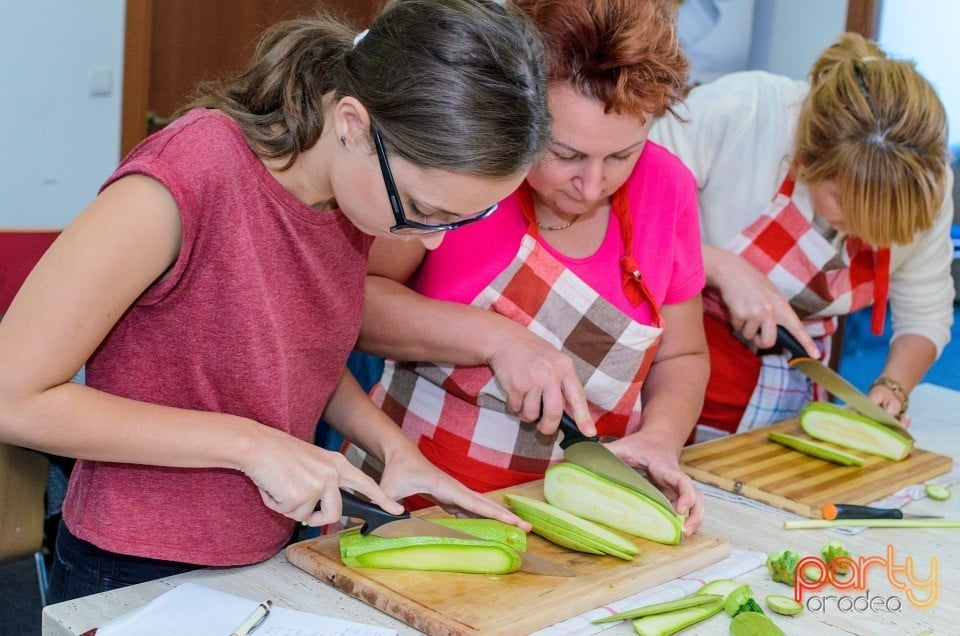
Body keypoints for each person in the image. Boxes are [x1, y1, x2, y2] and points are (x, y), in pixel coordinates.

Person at [0, 0, 551, 602]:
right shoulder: (190, 174)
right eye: (423, 210)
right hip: (134, 563)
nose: (428, 240)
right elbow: (14, 397)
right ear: (352, 124)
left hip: (262, 552)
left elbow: (289, 353)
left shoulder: (347, 198)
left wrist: (395, 450)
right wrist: (252, 444)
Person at [352, 0, 707, 536]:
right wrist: (495, 339)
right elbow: (351, 307)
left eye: (621, 157)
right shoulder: (460, 172)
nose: (591, 185)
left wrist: (662, 435)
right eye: (565, 154)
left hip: (579, 526)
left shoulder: (669, 189)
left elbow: (683, 352)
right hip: (414, 505)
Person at [649, 32, 954, 438]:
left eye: (882, 221)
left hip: (792, 399)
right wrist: (719, 265)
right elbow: (627, 218)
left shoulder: (925, 186)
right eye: (846, 204)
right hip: (665, 380)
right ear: (808, 161)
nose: (865, 232)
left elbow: (926, 313)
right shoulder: (743, 112)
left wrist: (892, 387)